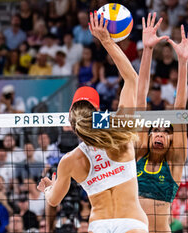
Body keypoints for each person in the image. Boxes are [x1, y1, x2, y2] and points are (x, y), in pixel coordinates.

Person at [37, 12, 149, 232]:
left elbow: (53, 201)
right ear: (98, 111)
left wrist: (49, 189)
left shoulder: (70, 160)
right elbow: (132, 79)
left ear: (72, 116)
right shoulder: (120, 132)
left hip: (99, 224)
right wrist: (107, 41)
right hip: (132, 221)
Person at [135, 14, 188, 232]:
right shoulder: (137, 155)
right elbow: (140, 99)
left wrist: (183, 62)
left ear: (172, 139)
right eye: (155, 130)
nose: (160, 134)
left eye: (166, 132)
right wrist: (147, 50)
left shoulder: (174, 162)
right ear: (148, 135)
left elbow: (180, 111)